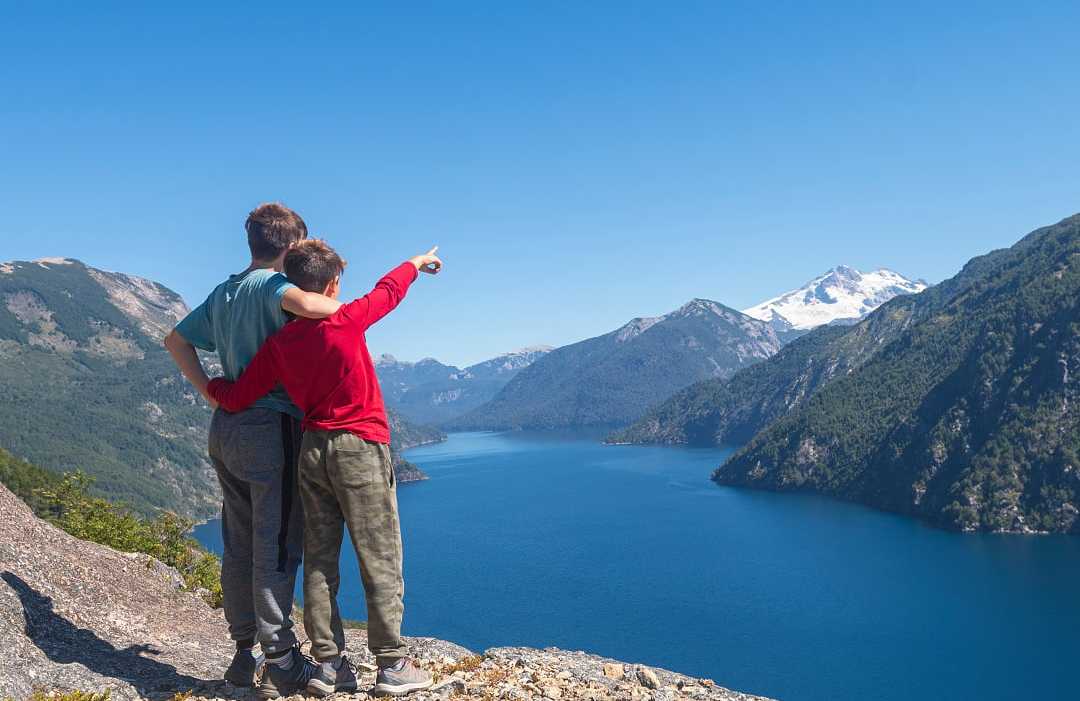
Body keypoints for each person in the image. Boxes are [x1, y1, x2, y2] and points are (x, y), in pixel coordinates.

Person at [206, 239, 442, 698]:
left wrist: (210, 384)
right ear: (331, 285)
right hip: (360, 448)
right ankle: (392, 664)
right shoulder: (345, 320)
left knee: (318, 560)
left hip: (311, 450)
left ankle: (328, 666)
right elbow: (388, 290)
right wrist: (417, 262)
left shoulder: (279, 344)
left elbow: (236, 397)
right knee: (379, 555)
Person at [163, 203, 343, 693]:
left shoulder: (223, 293)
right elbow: (318, 309)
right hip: (272, 427)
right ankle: (282, 659)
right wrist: (349, 302)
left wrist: (207, 390)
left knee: (239, 544)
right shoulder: (275, 287)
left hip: (227, 428)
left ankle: (243, 654)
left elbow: (175, 340)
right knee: (278, 545)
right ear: (289, 248)